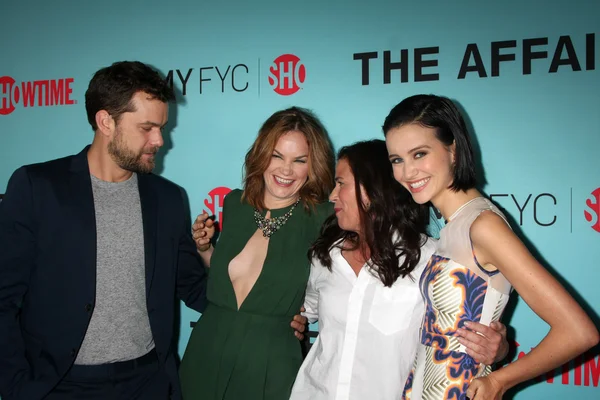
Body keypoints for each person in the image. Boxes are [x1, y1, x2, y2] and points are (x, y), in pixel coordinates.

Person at [0, 61, 209, 400]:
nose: (160, 140)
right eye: (147, 128)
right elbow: (4, 297)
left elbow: (194, 288)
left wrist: (269, 315)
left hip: (149, 383)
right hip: (61, 385)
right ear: (105, 121)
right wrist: (16, 386)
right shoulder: (38, 187)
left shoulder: (169, 198)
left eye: (162, 127)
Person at [383, 94, 599, 400]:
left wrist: (500, 381)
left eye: (419, 154)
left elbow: (579, 332)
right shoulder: (450, 224)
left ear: (453, 150)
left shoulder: (483, 225)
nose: (407, 172)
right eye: (397, 160)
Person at [289, 140, 508, 400]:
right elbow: (308, 310)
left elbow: (466, 337)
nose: (332, 195)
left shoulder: (431, 259)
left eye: (341, 183)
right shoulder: (325, 255)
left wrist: (499, 348)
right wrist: (294, 319)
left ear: (372, 189)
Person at [179, 107, 335, 399]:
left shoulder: (322, 217)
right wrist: (205, 248)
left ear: (313, 167)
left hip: (270, 359)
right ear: (262, 155)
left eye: (299, 160)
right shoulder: (234, 205)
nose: (286, 170)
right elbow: (234, 278)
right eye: (277, 156)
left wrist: (309, 313)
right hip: (208, 347)